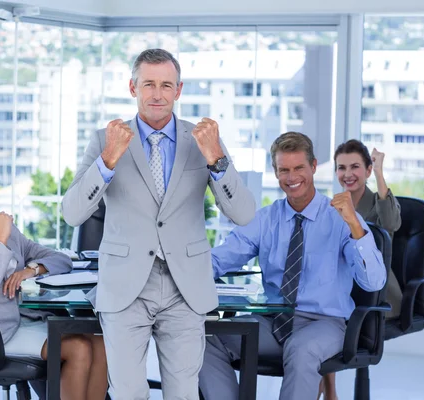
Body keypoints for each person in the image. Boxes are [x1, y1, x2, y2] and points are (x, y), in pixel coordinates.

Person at [62, 48, 256, 399]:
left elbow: (243, 214)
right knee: (129, 392)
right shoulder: (105, 141)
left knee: (182, 394)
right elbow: (72, 213)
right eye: (148, 84)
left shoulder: (203, 141)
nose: (157, 94)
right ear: (132, 87)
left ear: (178, 90)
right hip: (125, 287)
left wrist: (216, 158)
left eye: (166, 85)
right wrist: (108, 160)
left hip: (186, 286)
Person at [198, 132, 387, 400]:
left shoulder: (340, 217)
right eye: (283, 169)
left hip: (325, 324)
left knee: (300, 348)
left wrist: (355, 225)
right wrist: (177, 274)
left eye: (299, 167)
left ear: (312, 166)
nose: (291, 176)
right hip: (272, 322)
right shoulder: (266, 218)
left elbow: (374, 282)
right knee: (207, 339)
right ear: (275, 172)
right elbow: (221, 258)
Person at [0, 159, 108, 400]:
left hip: (24, 320)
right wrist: (1, 241)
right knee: (79, 348)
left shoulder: (0, 226)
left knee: (100, 345)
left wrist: (31, 270)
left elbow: (61, 259)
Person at [318, 139, 402, 399]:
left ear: (366, 171)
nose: (348, 174)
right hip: (345, 289)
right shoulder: (332, 206)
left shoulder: (379, 203)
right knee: (315, 317)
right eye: (341, 168)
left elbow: (389, 224)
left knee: (325, 319)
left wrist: (379, 172)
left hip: (377, 295)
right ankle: (329, 389)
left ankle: (327, 391)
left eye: (355, 167)